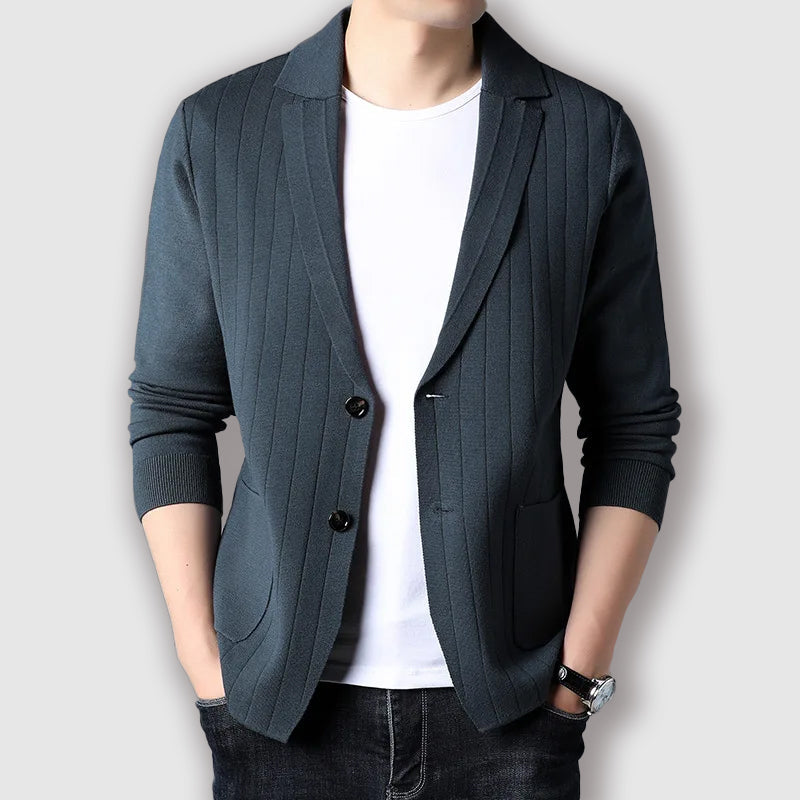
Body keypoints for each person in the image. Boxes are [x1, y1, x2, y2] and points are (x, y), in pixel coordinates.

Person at [127, 1, 681, 797]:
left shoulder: (585, 135)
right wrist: (202, 658)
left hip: (512, 717)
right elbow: (172, 411)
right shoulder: (220, 130)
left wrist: (578, 674)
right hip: (278, 715)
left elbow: (634, 423)